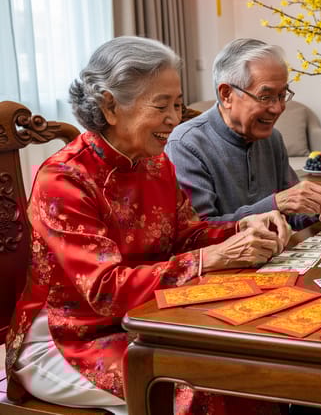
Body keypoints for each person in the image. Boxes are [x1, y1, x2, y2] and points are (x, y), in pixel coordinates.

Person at [5, 37, 292, 415]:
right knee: (203, 386)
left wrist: (243, 228)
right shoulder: (63, 179)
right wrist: (211, 258)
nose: (176, 118)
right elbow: (107, 290)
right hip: (71, 337)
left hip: (147, 322)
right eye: (162, 106)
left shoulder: (156, 164)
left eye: (176, 103)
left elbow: (186, 235)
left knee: (250, 363)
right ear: (110, 106)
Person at [166, 38, 321, 229]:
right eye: (265, 97)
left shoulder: (272, 138)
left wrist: (320, 211)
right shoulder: (186, 145)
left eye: (282, 95)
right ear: (227, 94)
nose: (278, 108)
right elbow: (198, 231)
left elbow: (293, 215)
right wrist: (274, 204)